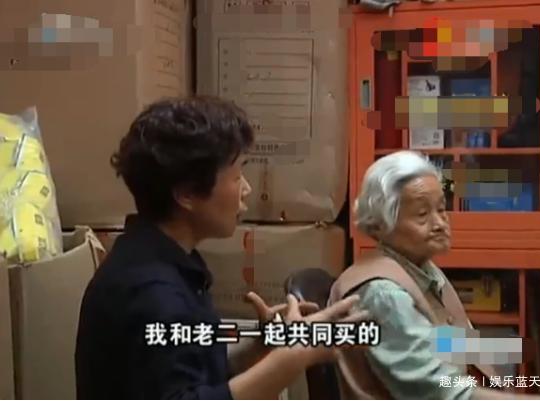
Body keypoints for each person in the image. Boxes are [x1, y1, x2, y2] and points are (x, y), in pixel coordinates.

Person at [74, 96, 367, 399]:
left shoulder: (166, 260)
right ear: (187, 193)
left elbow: (198, 378)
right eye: (237, 176)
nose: (247, 189)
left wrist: (263, 344)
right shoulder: (151, 292)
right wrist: (292, 357)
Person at [328, 150, 540, 400]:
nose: (439, 224)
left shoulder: (420, 268)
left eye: (442, 209)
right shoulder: (384, 294)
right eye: (422, 215)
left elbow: (444, 343)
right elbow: (440, 394)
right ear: (381, 223)